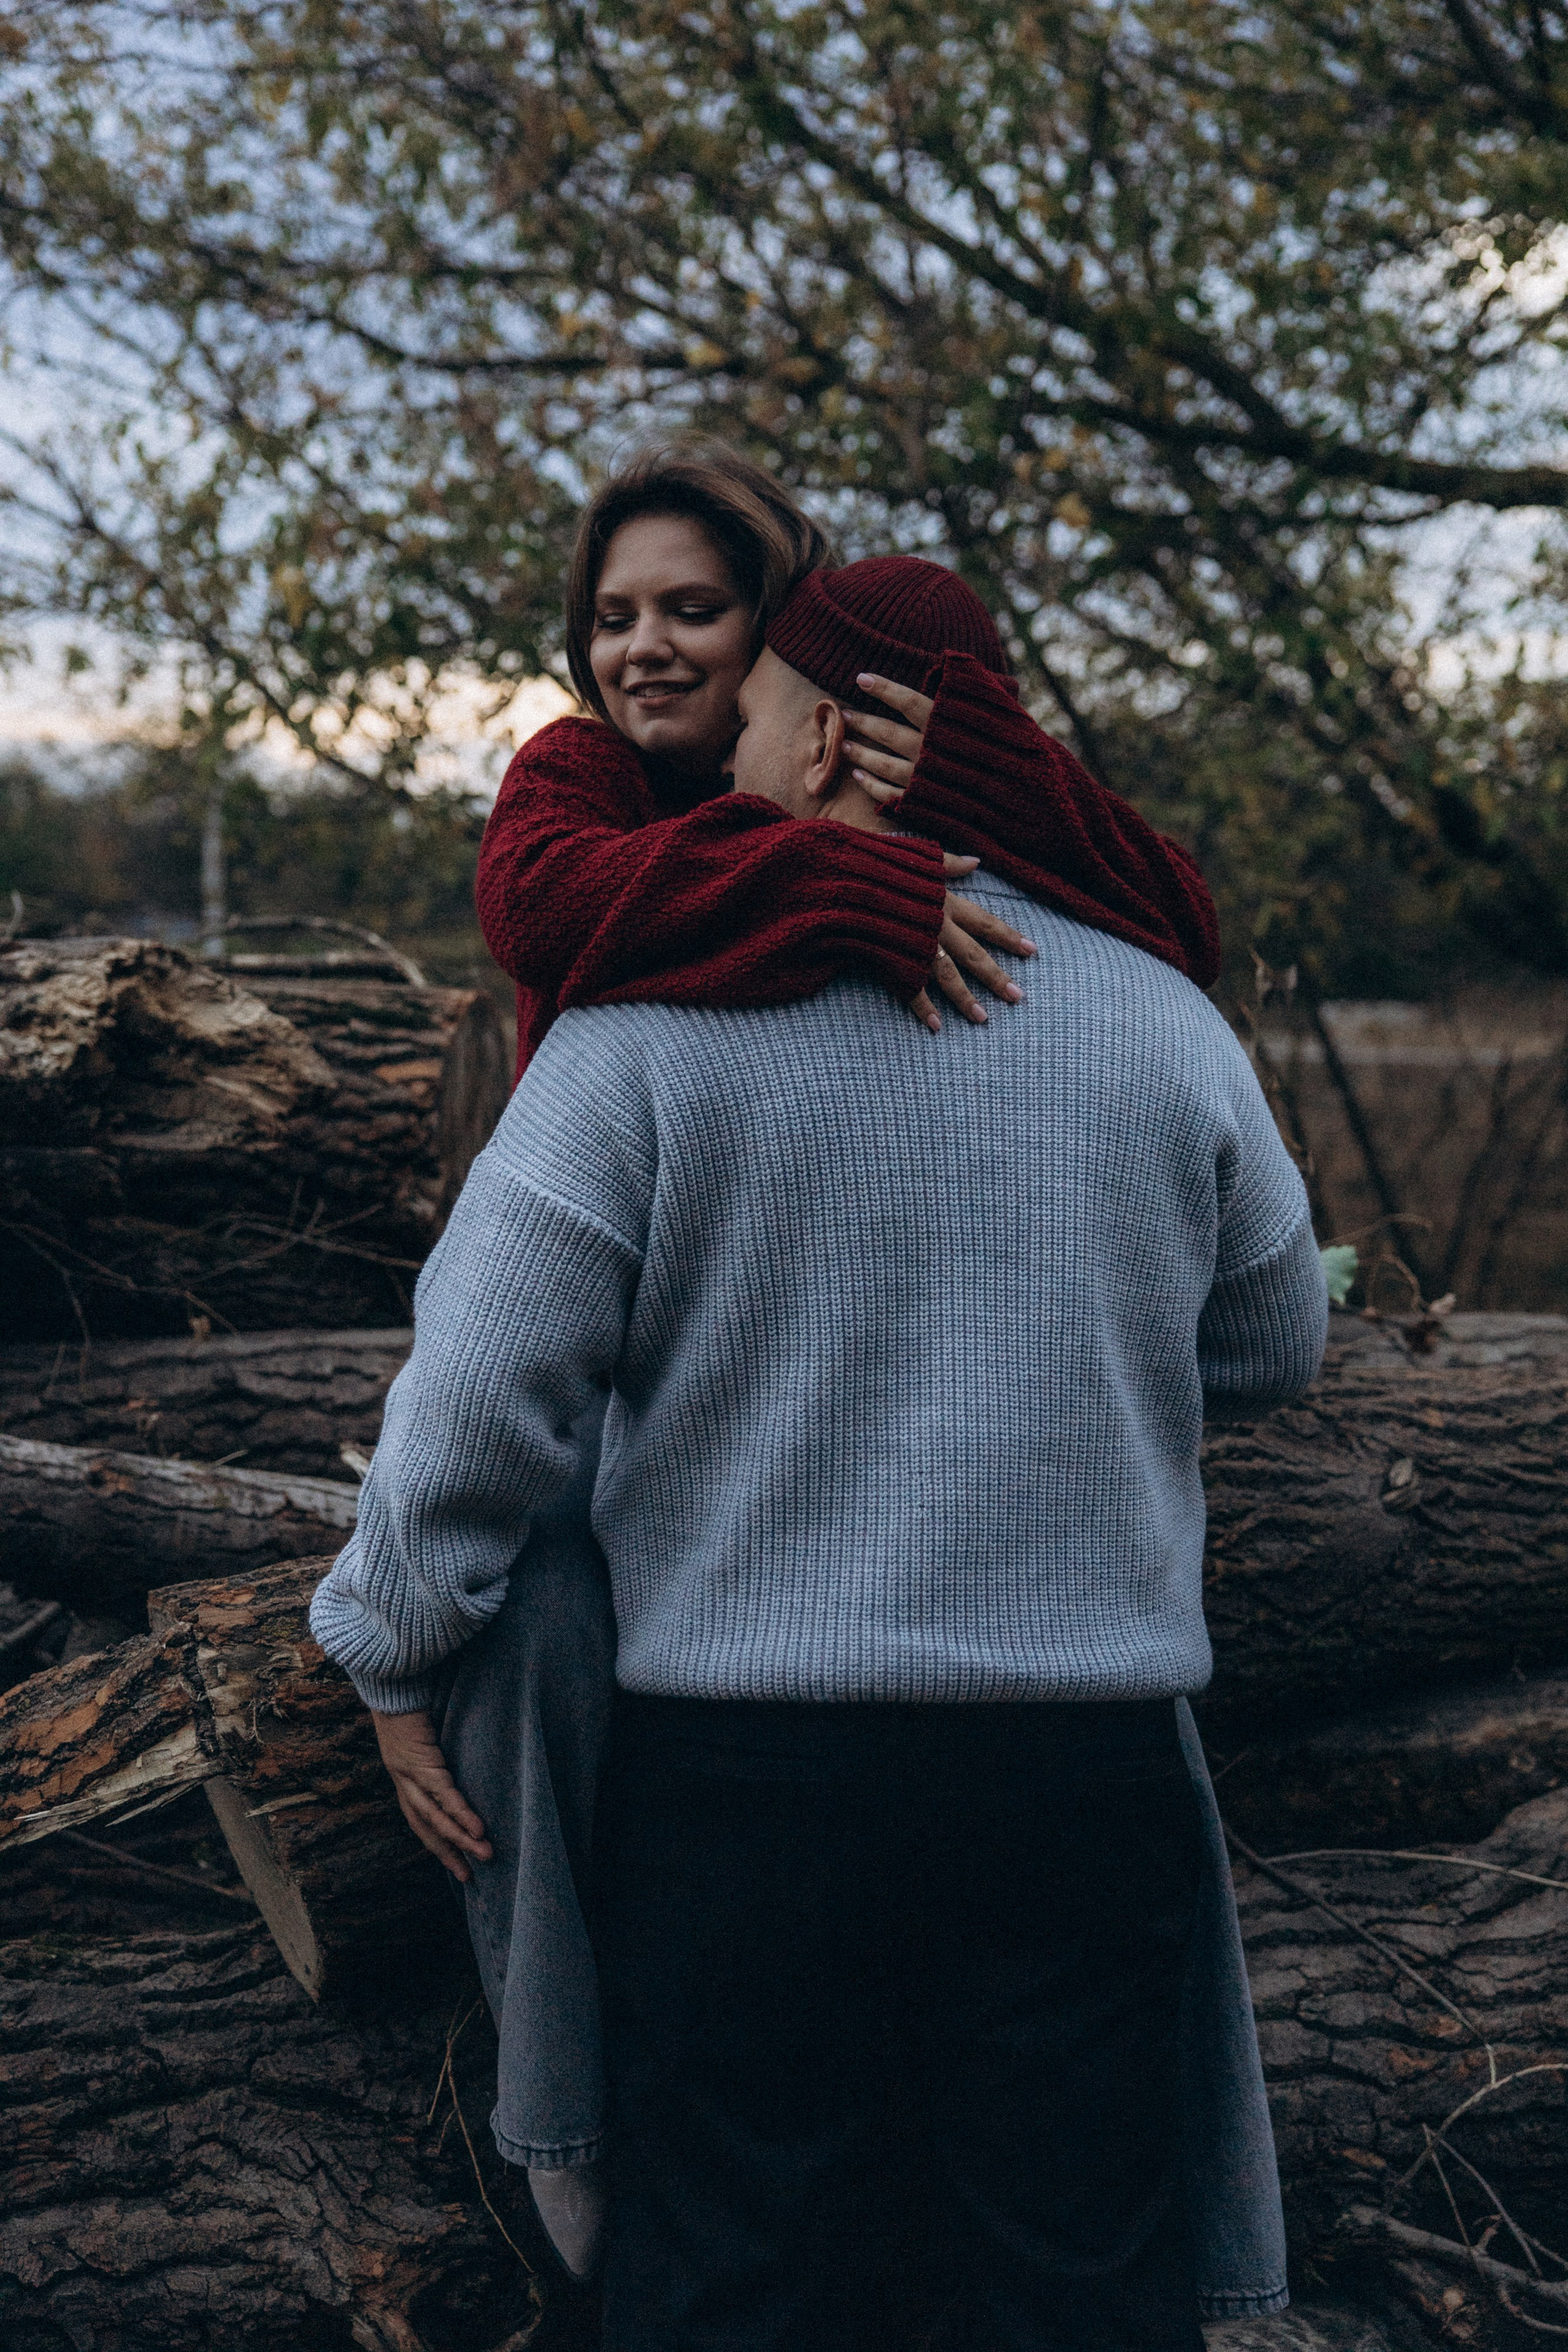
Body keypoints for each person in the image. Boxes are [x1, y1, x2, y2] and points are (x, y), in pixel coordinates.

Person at [311, 554, 1327, 2348]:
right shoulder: (1167, 1020)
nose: (736, 755)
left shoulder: (650, 1035)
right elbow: (1270, 1338)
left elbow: (477, 1404)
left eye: (761, 709)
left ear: (838, 734)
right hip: (1081, 1780)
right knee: (1077, 2281)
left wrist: (386, 1644)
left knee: (738, 2279)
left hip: (750, 1789)